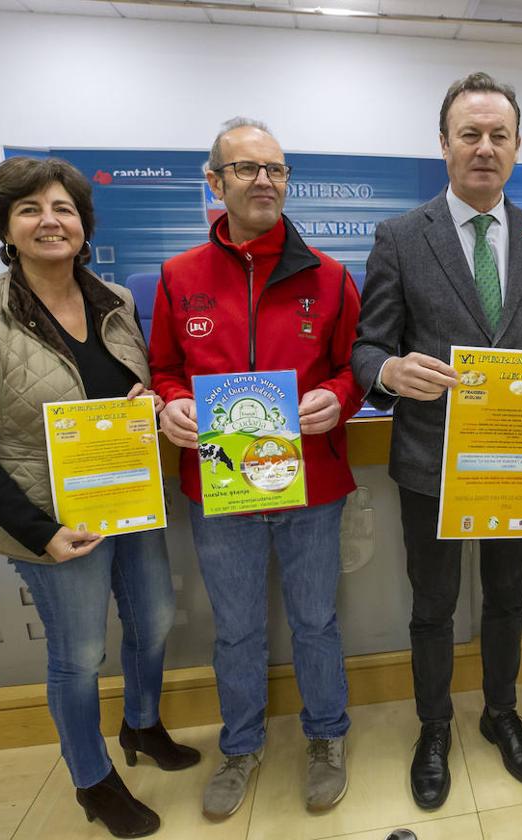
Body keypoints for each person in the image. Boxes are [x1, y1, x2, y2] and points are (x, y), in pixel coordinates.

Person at [352, 71, 522, 810]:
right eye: (470, 134)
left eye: (500, 135)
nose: (485, 148)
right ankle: (435, 728)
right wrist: (394, 371)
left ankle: (500, 713)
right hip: (431, 462)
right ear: (444, 146)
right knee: (432, 605)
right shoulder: (400, 237)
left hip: (520, 461)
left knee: (506, 600)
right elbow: (368, 349)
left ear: (517, 145)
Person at [0, 157, 198, 839]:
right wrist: (39, 531)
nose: (49, 221)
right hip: (53, 522)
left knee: (155, 619)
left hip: (129, 499)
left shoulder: (116, 301)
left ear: (84, 225)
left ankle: (141, 724)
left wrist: (147, 402)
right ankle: (91, 777)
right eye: (29, 209)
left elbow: (129, 393)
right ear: (6, 227)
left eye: (63, 208)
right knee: (78, 653)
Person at [148, 118, 364, 819]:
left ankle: (327, 737)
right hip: (220, 485)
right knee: (235, 627)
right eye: (246, 169)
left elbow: (355, 367)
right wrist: (171, 406)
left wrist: (339, 396)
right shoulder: (180, 277)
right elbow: (162, 370)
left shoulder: (329, 277)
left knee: (316, 622)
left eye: (275, 169)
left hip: (311, 484)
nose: (264, 180)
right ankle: (240, 747)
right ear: (215, 181)